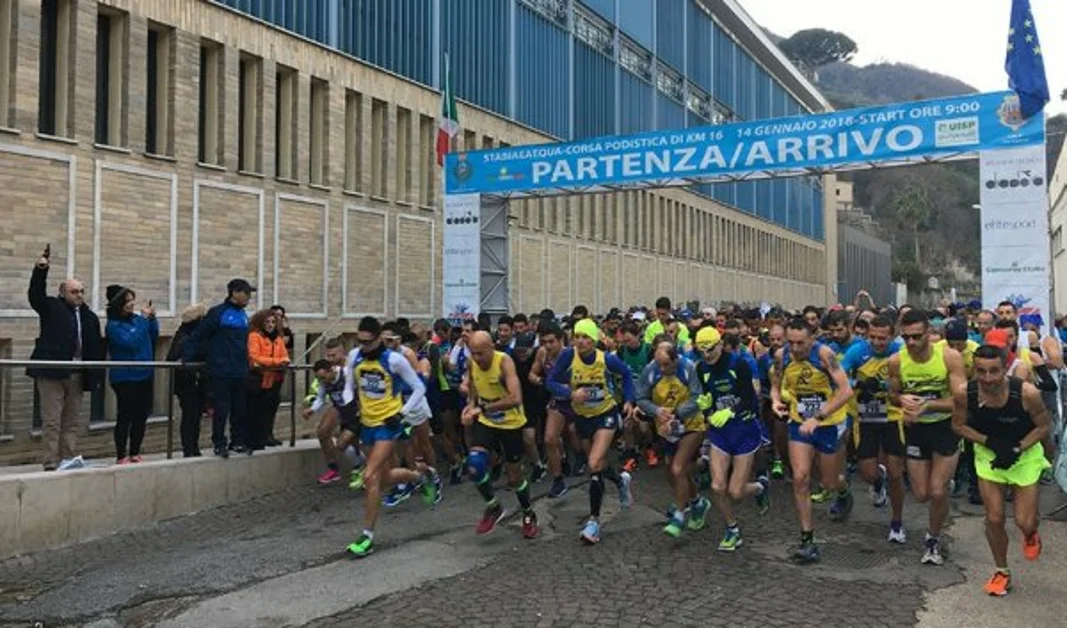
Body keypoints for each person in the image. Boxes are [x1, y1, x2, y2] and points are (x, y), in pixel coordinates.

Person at [952, 345, 1051, 596]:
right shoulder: (966, 393)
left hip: (1025, 454)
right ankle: (1001, 571)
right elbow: (959, 426)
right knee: (994, 518)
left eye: (994, 371)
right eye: (981, 371)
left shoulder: (1027, 393)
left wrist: (1016, 449)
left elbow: (1043, 427)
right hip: (989, 455)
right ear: (974, 369)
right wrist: (990, 443)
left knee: (1024, 521)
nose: (987, 379)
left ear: (1005, 369)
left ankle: (1031, 533)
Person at [342, 316, 438, 558]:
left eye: (367, 342)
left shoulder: (395, 360)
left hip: (388, 425)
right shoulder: (355, 357)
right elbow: (347, 386)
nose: (363, 346)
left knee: (370, 476)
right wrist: (349, 403)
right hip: (366, 425)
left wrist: (402, 413)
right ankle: (420, 475)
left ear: (377, 339)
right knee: (384, 477)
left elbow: (418, 387)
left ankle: (367, 536)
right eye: (359, 341)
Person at [887, 309, 967, 565]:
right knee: (921, 494)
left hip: (944, 428)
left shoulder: (949, 358)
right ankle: (943, 487)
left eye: (917, 337)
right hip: (916, 430)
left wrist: (928, 406)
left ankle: (933, 538)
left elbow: (960, 401)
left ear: (930, 334)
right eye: (906, 337)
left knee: (936, 491)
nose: (911, 343)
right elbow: (892, 394)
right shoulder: (896, 361)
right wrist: (900, 400)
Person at [771, 317, 854, 563]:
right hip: (799, 421)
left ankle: (842, 491)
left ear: (812, 339)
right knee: (800, 478)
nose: (796, 349)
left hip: (829, 422)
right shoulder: (781, 356)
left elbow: (846, 391)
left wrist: (818, 417)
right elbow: (775, 385)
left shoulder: (824, 354)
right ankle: (807, 540)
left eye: (801, 344)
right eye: (792, 343)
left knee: (828, 482)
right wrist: (776, 401)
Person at [547, 318, 636, 545]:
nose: (581, 341)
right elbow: (550, 382)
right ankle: (620, 481)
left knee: (593, 463)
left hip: (605, 413)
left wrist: (628, 400)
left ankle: (594, 522)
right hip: (582, 417)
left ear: (594, 340)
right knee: (598, 464)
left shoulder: (605, 359)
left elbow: (626, 375)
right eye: (577, 336)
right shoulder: (568, 356)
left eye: (586, 337)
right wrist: (569, 393)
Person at [27, 246, 104, 471]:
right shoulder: (51, 307)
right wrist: (40, 271)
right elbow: (35, 295)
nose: (79, 295)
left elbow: (95, 348)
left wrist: (95, 376)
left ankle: (67, 459)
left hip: (77, 374)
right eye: (74, 291)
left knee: (71, 422)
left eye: (81, 291)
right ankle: (50, 462)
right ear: (63, 293)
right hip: (52, 374)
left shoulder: (89, 317)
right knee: (52, 421)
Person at [694, 326, 770, 551]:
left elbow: (751, 398)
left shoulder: (738, 364)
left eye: (711, 349)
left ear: (720, 344)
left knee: (736, 492)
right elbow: (707, 397)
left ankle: (759, 488)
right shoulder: (701, 368)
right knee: (718, 487)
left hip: (744, 430)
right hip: (720, 432)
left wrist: (731, 411)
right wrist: (706, 407)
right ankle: (732, 529)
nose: (707, 355)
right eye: (702, 351)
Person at [462, 331, 540, 539]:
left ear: (491, 348)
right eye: (473, 353)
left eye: (480, 353)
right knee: (474, 464)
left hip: (511, 423)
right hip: (488, 421)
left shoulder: (504, 362)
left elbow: (516, 398)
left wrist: (484, 408)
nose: (476, 358)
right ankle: (493, 506)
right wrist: (469, 407)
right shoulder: (472, 362)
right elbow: (473, 388)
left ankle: (528, 513)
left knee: (514, 477)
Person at [840, 314, 907, 542]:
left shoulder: (900, 352)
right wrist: (857, 383)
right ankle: (879, 482)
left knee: (897, 474)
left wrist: (884, 385)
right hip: (866, 417)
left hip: (892, 417)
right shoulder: (858, 351)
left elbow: (908, 381)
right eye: (874, 338)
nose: (878, 343)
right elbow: (837, 375)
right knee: (868, 473)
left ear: (892, 336)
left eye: (883, 338)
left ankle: (897, 523)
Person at [634, 336, 706, 538]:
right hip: (666, 428)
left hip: (692, 424)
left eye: (666, 365)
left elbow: (698, 396)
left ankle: (680, 515)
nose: (662, 369)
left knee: (678, 467)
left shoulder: (688, 367)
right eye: (659, 364)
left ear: (676, 359)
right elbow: (641, 398)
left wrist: (677, 412)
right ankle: (697, 503)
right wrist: (656, 411)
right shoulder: (651, 370)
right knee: (672, 471)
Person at [183, 278, 255, 458]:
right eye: (246, 293)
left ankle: (237, 441)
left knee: (240, 408)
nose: (248, 297)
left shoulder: (243, 316)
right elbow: (199, 335)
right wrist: (187, 357)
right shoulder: (217, 313)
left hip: (240, 369)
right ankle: (219, 442)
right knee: (221, 409)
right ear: (235, 292)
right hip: (221, 369)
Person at [104, 284, 159, 464]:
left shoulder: (137, 320)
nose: (131, 304)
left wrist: (152, 319)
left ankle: (135, 451)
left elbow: (152, 336)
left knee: (141, 415)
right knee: (125, 415)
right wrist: (144, 321)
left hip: (144, 374)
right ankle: (121, 455)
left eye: (131, 300)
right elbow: (131, 342)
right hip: (125, 377)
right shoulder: (113, 325)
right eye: (127, 301)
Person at [167, 304, 208, 458]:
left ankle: (193, 446)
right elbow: (173, 357)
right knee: (190, 415)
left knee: (196, 415)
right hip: (187, 382)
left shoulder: (194, 334)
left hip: (197, 381)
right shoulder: (185, 335)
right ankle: (188, 447)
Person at [246, 309, 290, 451]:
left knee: (267, 411)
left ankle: (264, 437)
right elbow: (255, 357)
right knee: (253, 411)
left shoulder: (277, 338)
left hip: (272, 380)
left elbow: (285, 356)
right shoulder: (254, 336)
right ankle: (252, 440)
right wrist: (276, 362)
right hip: (257, 380)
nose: (270, 325)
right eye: (267, 322)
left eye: (273, 322)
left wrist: (277, 362)